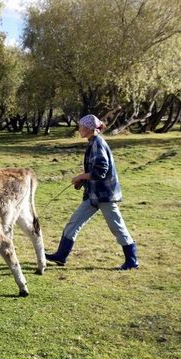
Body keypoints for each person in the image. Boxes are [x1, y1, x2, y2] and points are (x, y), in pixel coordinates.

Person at [45, 114, 139, 270]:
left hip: (104, 195)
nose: (79, 129)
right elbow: (96, 172)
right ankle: (61, 256)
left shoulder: (97, 143)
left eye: (81, 126)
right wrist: (83, 181)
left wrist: (80, 176)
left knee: (117, 227)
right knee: (73, 223)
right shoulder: (93, 142)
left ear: (89, 128)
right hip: (93, 195)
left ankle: (132, 260)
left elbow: (100, 172)